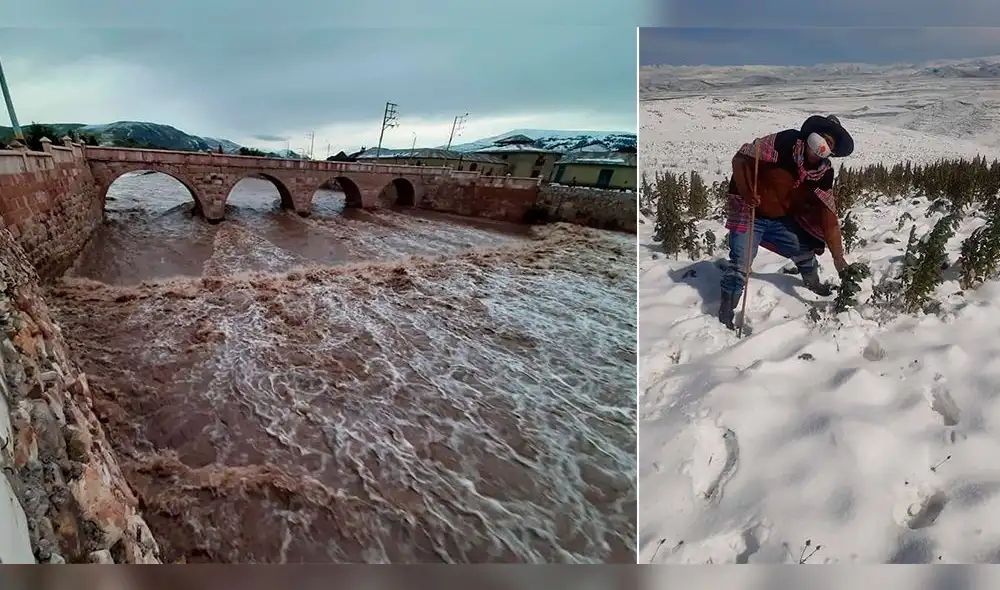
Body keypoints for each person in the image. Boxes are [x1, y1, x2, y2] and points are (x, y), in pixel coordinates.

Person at [719, 114, 855, 330]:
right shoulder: (785, 143)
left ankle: (813, 283)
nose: (822, 144)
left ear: (831, 151)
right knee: (740, 262)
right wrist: (746, 192)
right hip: (751, 214)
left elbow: (828, 215)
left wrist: (838, 258)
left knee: (803, 250)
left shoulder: (823, 173)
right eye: (821, 137)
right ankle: (726, 310)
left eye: (829, 143)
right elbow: (742, 158)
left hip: (780, 220)